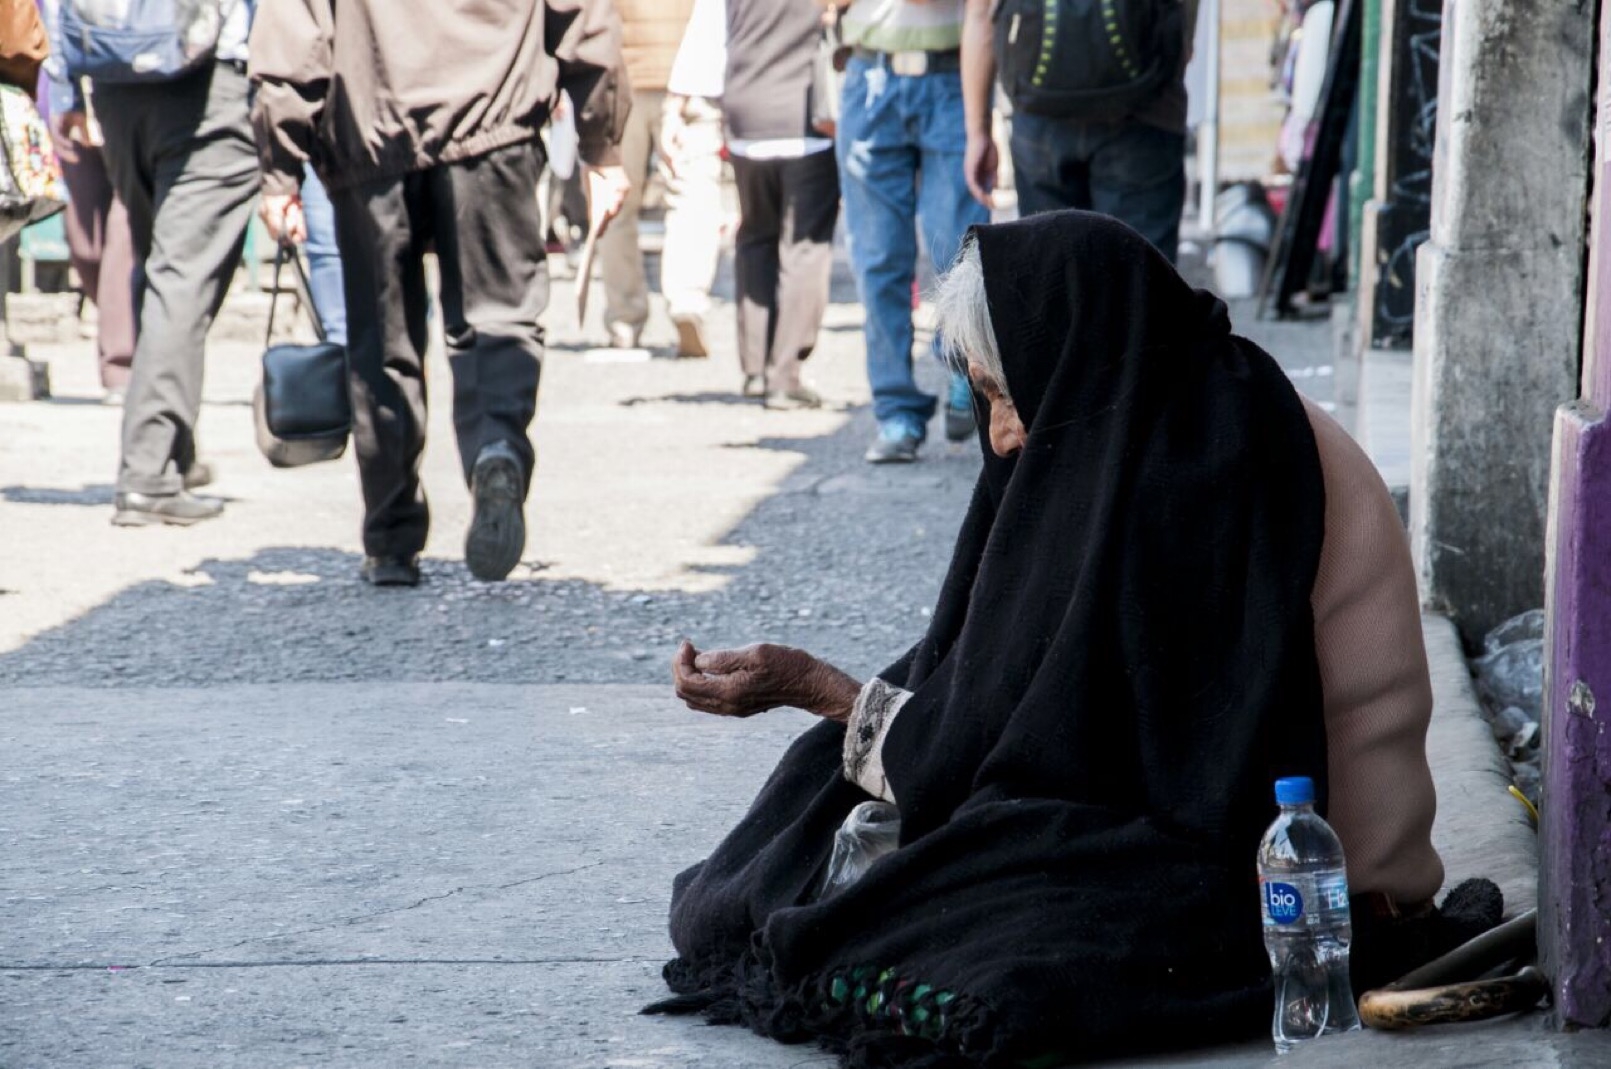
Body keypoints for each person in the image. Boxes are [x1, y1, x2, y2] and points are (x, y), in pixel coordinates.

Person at [654, 212, 1453, 1065]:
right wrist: (845, 703)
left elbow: (1094, 756)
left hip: (1312, 879)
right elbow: (1008, 686)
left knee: (988, 930)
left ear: (1076, 362)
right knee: (812, 806)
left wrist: (829, 692)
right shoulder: (1159, 406)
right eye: (984, 396)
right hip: (1198, 812)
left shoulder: (1206, 456)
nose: (1001, 434)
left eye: (1006, 393)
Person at [250, 0, 631, 587]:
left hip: (370, 131)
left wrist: (280, 170)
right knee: (499, 319)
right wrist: (600, 144)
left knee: (383, 344)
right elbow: (584, 17)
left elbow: (293, 33)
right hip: (494, 118)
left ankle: (391, 538)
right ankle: (496, 447)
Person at [65, 0, 258, 524]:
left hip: (115, 78)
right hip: (207, 84)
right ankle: (147, 474)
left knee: (160, 269)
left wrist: (66, 86)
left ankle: (172, 449)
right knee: (181, 279)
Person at [832, 0, 988, 463]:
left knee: (962, 249)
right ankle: (895, 410)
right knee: (878, 256)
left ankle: (964, 367)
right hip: (869, 76)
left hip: (954, 75)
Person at [961, 0, 1192, 263]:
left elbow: (980, 13)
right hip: (1146, 111)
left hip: (1039, 117)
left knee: (1051, 271)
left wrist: (977, 130)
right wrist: (1181, 47)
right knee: (1142, 275)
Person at [719, 0, 840, 409]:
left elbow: (709, 34)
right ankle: (784, 375)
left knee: (754, 236)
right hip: (805, 118)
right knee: (804, 247)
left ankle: (755, 368)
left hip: (745, 114)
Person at [599, 1, 721, 358]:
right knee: (693, 195)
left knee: (615, 202)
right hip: (690, 73)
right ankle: (687, 301)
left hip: (621, 75)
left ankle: (624, 317)